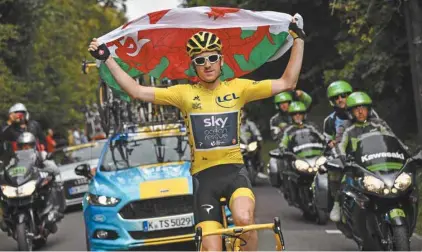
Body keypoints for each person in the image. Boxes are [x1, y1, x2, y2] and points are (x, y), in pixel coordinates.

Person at [88, 17, 305, 251]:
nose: (208, 64)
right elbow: (136, 90)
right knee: (211, 248)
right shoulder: (184, 94)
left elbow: (287, 82)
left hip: (234, 173)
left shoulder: (239, 88)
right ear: (194, 66)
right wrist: (107, 57)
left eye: (213, 58)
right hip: (204, 179)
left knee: (243, 219)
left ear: (222, 61)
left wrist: (298, 39)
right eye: (200, 60)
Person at [329, 92, 408, 222]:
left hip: (380, 162)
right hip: (357, 165)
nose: (360, 112)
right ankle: (337, 204)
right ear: (350, 112)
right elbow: (339, 145)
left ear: (369, 110)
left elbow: (394, 139)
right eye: (356, 108)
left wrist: (406, 152)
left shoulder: (379, 124)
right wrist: (343, 159)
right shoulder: (346, 127)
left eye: (363, 108)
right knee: (341, 177)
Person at [0, 132, 64, 231]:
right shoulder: (14, 159)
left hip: (35, 182)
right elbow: (8, 169)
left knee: (50, 185)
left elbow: (53, 168)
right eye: (23, 146)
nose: (26, 148)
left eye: (28, 145)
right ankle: (7, 217)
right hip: (21, 184)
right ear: (19, 147)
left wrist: (46, 169)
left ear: (34, 145)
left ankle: (51, 210)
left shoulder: (41, 155)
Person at [278, 101, 326, 203]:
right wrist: (283, 150)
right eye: (295, 114)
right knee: (288, 172)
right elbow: (282, 144)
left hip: (313, 157)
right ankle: (291, 194)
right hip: (297, 158)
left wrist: (327, 145)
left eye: (300, 113)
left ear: (304, 115)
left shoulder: (311, 126)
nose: (298, 116)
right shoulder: (288, 130)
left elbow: (322, 138)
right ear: (291, 116)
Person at [240, 108, 265, 177]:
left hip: (249, 145)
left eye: (243, 112)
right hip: (239, 146)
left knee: (258, 147)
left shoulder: (250, 124)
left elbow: (256, 132)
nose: (242, 114)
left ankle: (260, 163)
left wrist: (259, 138)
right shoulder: (233, 124)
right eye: (240, 112)